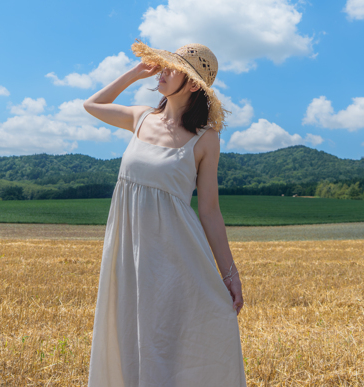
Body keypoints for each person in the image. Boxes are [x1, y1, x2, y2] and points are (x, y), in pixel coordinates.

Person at [84, 41, 246, 387]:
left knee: (167, 340)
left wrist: (229, 274)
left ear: (191, 85)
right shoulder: (140, 117)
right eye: (165, 64)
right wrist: (133, 73)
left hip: (176, 254)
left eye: (173, 68)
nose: (163, 71)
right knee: (130, 330)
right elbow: (91, 104)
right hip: (130, 251)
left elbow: (210, 211)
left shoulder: (205, 139)